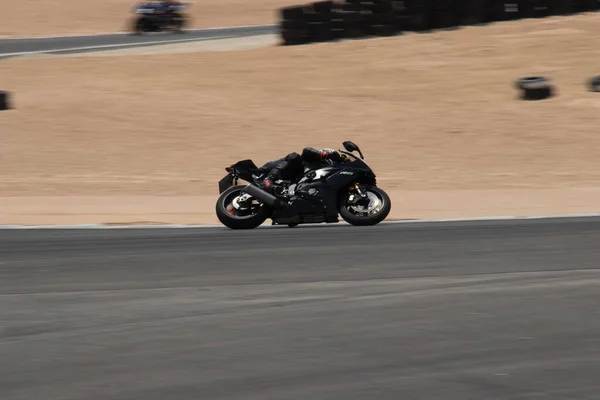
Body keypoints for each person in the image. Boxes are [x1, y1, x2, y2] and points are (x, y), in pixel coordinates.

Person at [258, 147, 344, 193]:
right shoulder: (311, 158)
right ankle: (269, 178)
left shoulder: (322, 170)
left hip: (291, 181)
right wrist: (322, 154)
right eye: (332, 156)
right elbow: (307, 150)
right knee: (295, 156)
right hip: (275, 169)